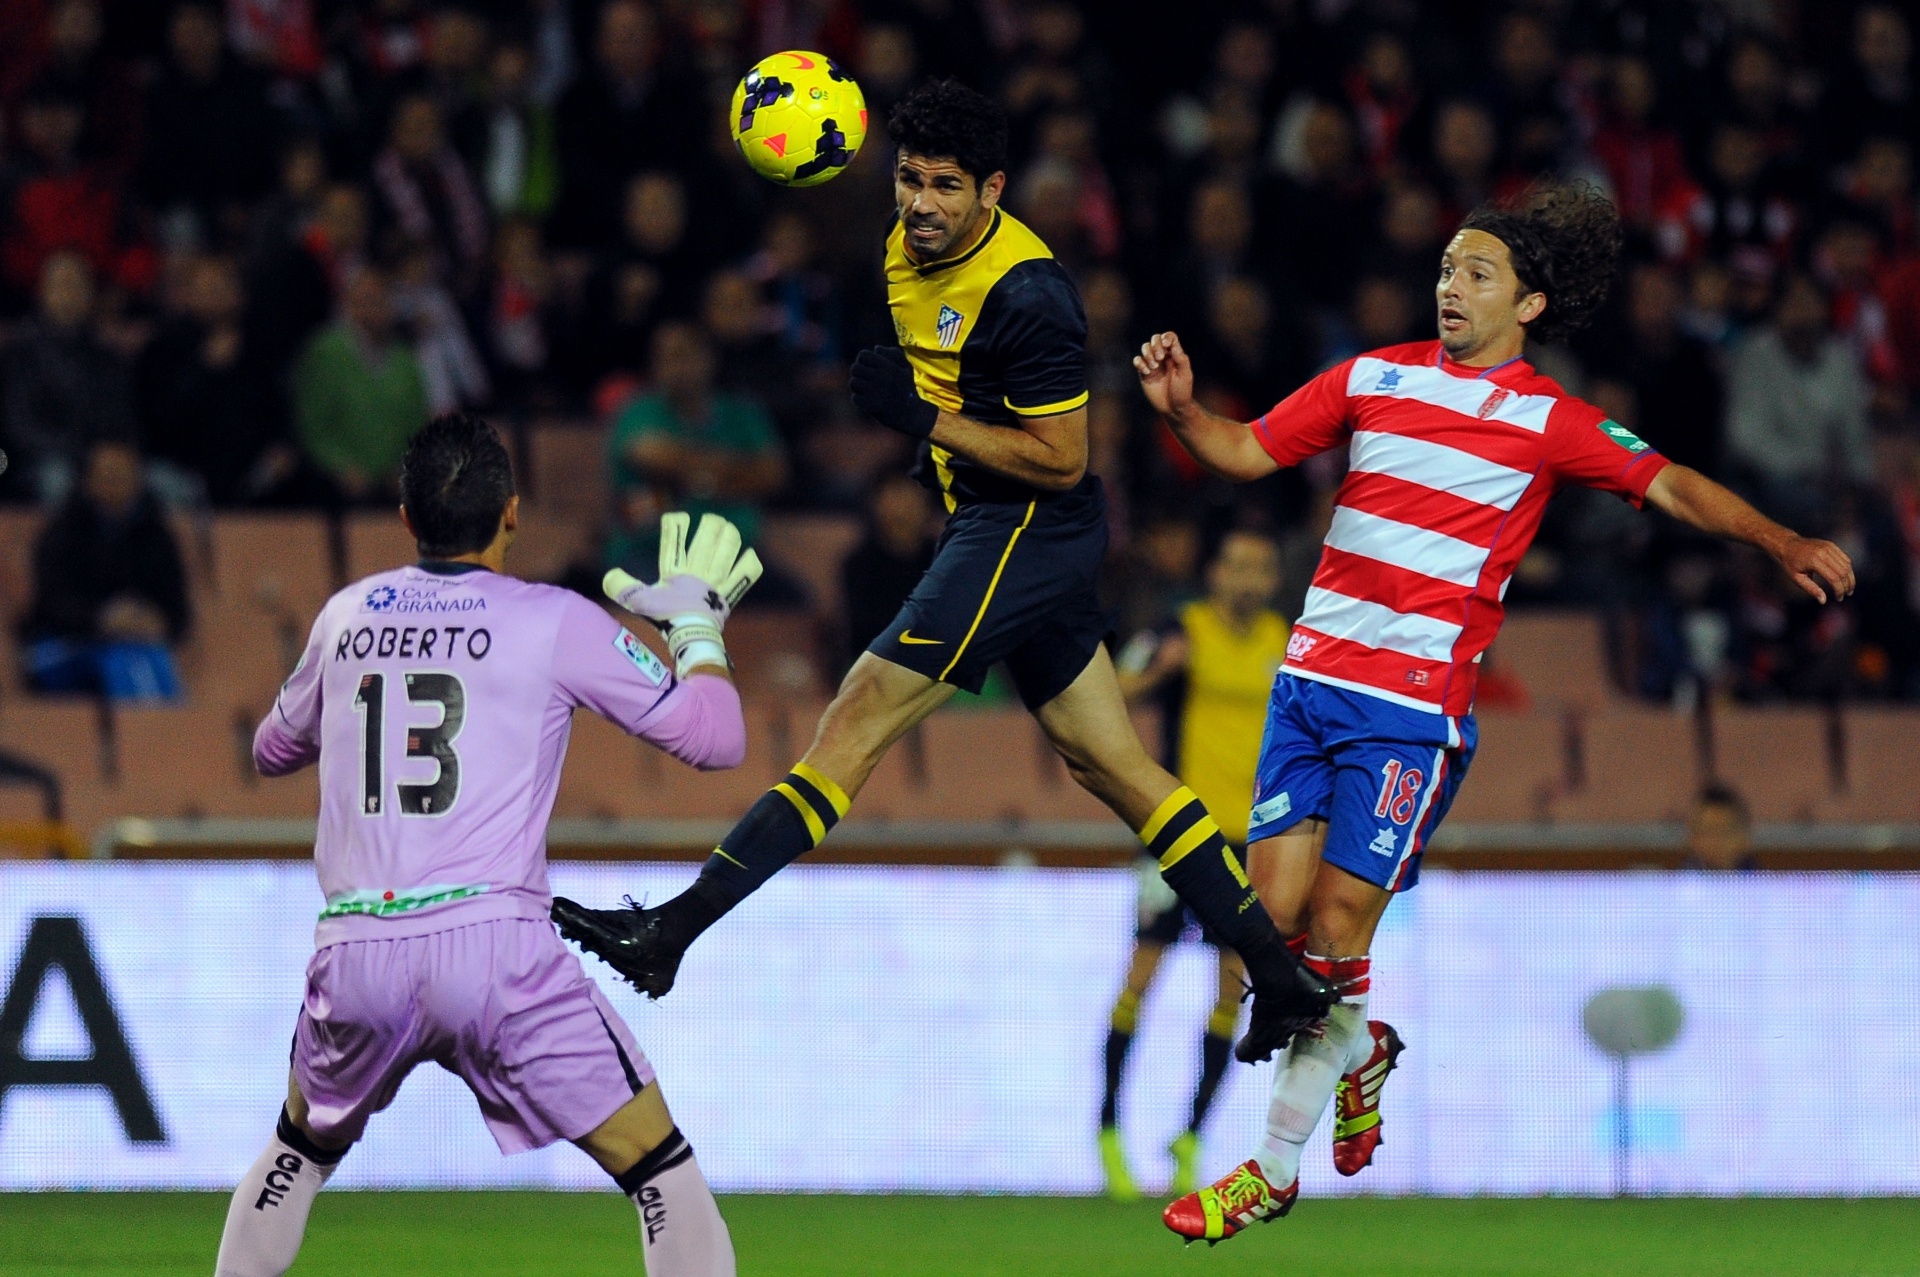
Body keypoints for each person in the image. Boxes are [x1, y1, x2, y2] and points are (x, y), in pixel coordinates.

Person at [552, 79, 1333, 1068]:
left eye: (947, 187)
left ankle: (670, 932)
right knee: (1116, 765)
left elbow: (1064, 458)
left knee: (859, 713)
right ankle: (1279, 972)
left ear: (994, 190)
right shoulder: (900, 244)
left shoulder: (1031, 295)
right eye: (911, 180)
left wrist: (922, 422)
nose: (922, 203)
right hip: (992, 522)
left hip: (1027, 525)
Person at [1133, 179, 1855, 1244]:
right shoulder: (1371, 376)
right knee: (1270, 925)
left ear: (1528, 305)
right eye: (1445, 270)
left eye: (1477, 274)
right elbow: (1249, 451)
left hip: (1410, 712)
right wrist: (1188, 413)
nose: (1451, 287)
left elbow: (1671, 483)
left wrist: (1780, 540)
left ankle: (1271, 1170)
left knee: (1333, 928)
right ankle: (1361, 1044)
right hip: (1309, 687)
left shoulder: (1550, 423)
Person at [213, 414, 759, 1277]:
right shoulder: (554, 621)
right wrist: (694, 625)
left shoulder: (347, 613)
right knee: (659, 1171)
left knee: (295, 1154)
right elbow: (715, 739)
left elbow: (271, 749)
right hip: (495, 950)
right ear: (513, 512)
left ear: (404, 516)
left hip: (358, 944)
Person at [1099, 529, 1293, 1201]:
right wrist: (1157, 671)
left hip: (1251, 844)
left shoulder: (1285, 640)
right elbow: (1111, 688)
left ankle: (1190, 1138)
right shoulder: (1180, 629)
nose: (1249, 577)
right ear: (1215, 572)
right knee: (1141, 977)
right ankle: (1108, 1131)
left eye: (1260, 566)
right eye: (1238, 563)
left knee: (1229, 993)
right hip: (1177, 834)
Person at [20, 439, 188, 701]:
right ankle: (152, 738)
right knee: (130, 658)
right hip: (60, 647)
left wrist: (157, 621)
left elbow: (177, 609)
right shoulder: (62, 533)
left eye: (123, 473)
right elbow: (52, 604)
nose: (115, 481)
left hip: (134, 645)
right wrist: (103, 620)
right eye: (107, 474)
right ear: (88, 480)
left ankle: (168, 734)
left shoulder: (157, 536)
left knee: (152, 656)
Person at [292, 265, 430, 504]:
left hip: (393, 488)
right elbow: (311, 425)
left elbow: (418, 423)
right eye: (366, 299)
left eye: (382, 298)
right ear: (349, 304)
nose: (374, 307)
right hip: (337, 487)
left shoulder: (405, 359)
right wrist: (341, 467)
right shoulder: (327, 351)